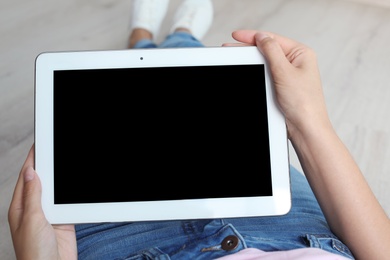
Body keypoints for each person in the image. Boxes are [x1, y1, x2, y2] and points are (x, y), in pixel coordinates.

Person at [8, 0, 390, 259]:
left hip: (126, 238)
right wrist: (308, 124)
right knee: (188, 82)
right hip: (283, 221)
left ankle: (145, 35)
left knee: (146, 89)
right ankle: (180, 33)